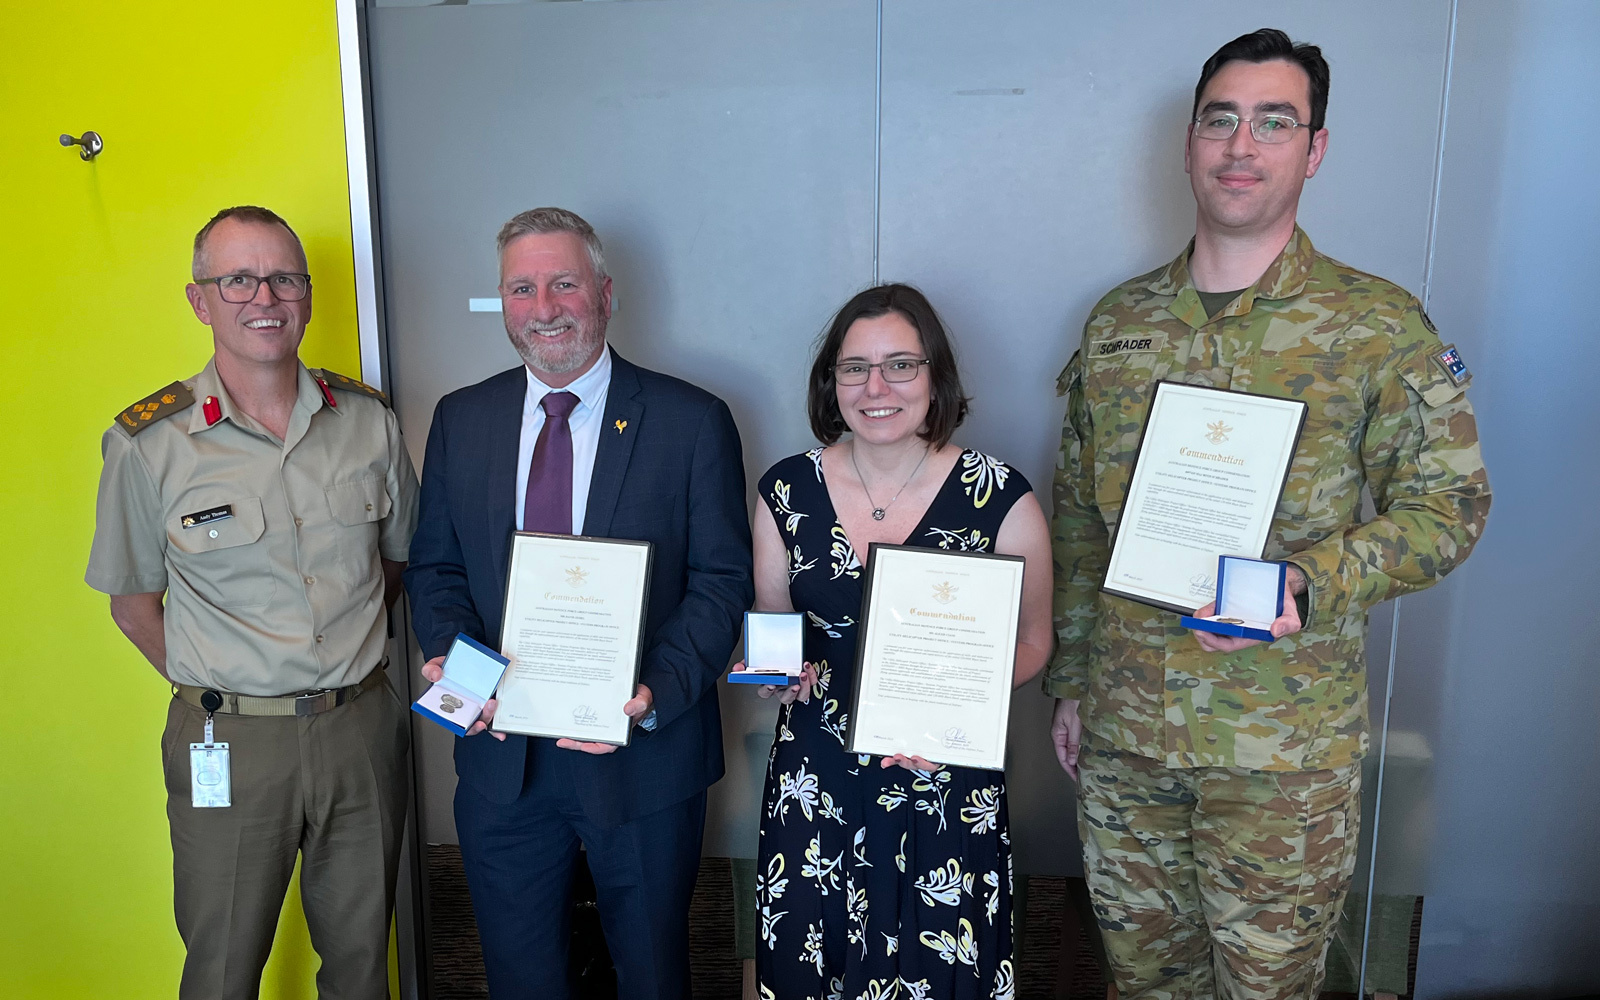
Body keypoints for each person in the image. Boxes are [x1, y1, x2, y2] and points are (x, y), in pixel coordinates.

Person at [1046, 29, 1492, 998]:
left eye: (1273, 122)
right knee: (1145, 984)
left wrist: (1307, 581)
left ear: (1314, 149)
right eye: (1220, 120)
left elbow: (1449, 506)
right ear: (1189, 143)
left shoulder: (1374, 325)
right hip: (1127, 740)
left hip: (1281, 754)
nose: (1240, 146)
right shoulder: (1118, 324)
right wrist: (1073, 680)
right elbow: (1078, 517)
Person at [404, 207, 753, 1000]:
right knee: (521, 980)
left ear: (604, 292)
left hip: (644, 760)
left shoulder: (692, 421)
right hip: (503, 764)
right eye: (521, 288)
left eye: (563, 283)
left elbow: (721, 580)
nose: (544, 308)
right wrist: (455, 664)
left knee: (653, 978)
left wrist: (652, 692)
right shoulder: (462, 418)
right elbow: (436, 567)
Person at [85, 206, 419, 999]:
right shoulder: (148, 444)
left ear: (307, 295)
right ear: (200, 300)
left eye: (284, 279)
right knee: (222, 969)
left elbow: (396, 562)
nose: (264, 297)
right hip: (230, 740)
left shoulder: (367, 420)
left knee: (363, 966)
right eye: (238, 279)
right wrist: (227, 686)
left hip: (360, 729)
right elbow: (133, 605)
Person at [743, 284, 1053, 1000]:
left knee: (937, 969)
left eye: (900, 365)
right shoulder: (785, 491)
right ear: (831, 381)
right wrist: (771, 674)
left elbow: (1035, 641)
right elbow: (772, 621)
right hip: (816, 782)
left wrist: (949, 709)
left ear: (935, 376)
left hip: (942, 771)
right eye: (854, 368)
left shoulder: (1000, 497)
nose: (876, 387)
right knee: (811, 968)